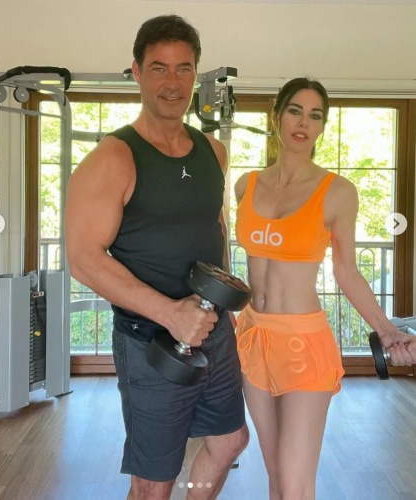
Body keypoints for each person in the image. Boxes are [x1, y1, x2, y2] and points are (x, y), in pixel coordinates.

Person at [65, 14, 248, 500]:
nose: (172, 82)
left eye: (184, 69)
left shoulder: (213, 151)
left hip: (214, 331)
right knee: (154, 481)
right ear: (137, 72)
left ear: (196, 74)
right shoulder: (113, 158)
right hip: (150, 338)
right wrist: (170, 313)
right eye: (159, 68)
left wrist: (226, 302)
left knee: (230, 440)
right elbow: (83, 258)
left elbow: (216, 227)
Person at [234, 77, 416, 500]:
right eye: (295, 111)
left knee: (295, 486)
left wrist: (388, 333)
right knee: (276, 478)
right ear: (277, 116)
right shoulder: (246, 184)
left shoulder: (337, 192)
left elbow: (346, 272)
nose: (304, 123)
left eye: (315, 116)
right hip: (252, 336)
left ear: (322, 126)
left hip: (303, 343)